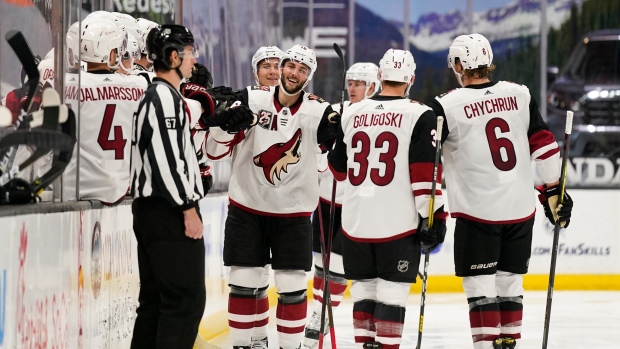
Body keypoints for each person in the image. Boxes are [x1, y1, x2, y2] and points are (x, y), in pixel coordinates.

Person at [427, 33, 574, 349]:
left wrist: (432, 208)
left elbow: (429, 163)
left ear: (458, 64)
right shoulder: (519, 94)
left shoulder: (445, 105)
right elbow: (546, 146)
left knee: (480, 289)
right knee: (510, 284)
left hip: (477, 212)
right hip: (520, 210)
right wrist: (553, 192)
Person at [206, 44, 339, 349]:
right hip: (247, 209)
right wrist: (224, 127)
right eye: (291, 66)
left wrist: (335, 145)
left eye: (303, 70)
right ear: (283, 67)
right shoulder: (251, 99)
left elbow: (329, 169)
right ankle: (245, 345)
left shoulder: (320, 111)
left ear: (309, 77)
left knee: (292, 288)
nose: (294, 73)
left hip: (293, 214)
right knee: (243, 283)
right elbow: (214, 151)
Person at [328, 49, 447, 349]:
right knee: (391, 298)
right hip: (396, 224)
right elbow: (425, 177)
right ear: (411, 79)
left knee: (364, 295)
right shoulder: (420, 113)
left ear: (380, 76)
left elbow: (338, 170)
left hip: (355, 223)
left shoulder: (352, 111)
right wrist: (436, 218)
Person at [129, 24, 205, 349]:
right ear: (174, 57)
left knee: (157, 304)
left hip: (156, 210)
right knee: (184, 302)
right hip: (167, 211)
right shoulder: (162, 98)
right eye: (189, 53)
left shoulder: (165, 96)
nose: (193, 60)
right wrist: (187, 207)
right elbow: (165, 160)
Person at [304, 62, 380, 349]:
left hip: (358, 203)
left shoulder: (379, 116)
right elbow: (317, 152)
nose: (352, 87)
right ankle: (318, 311)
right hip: (326, 198)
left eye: (359, 83)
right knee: (319, 263)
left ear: (373, 85)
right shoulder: (335, 111)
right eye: (350, 82)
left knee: (337, 263)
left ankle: (325, 314)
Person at [61, 17, 147, 204]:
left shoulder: (67, 84)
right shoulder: (138, 85)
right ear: (109, 52)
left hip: (73, 188)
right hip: (118, 187)